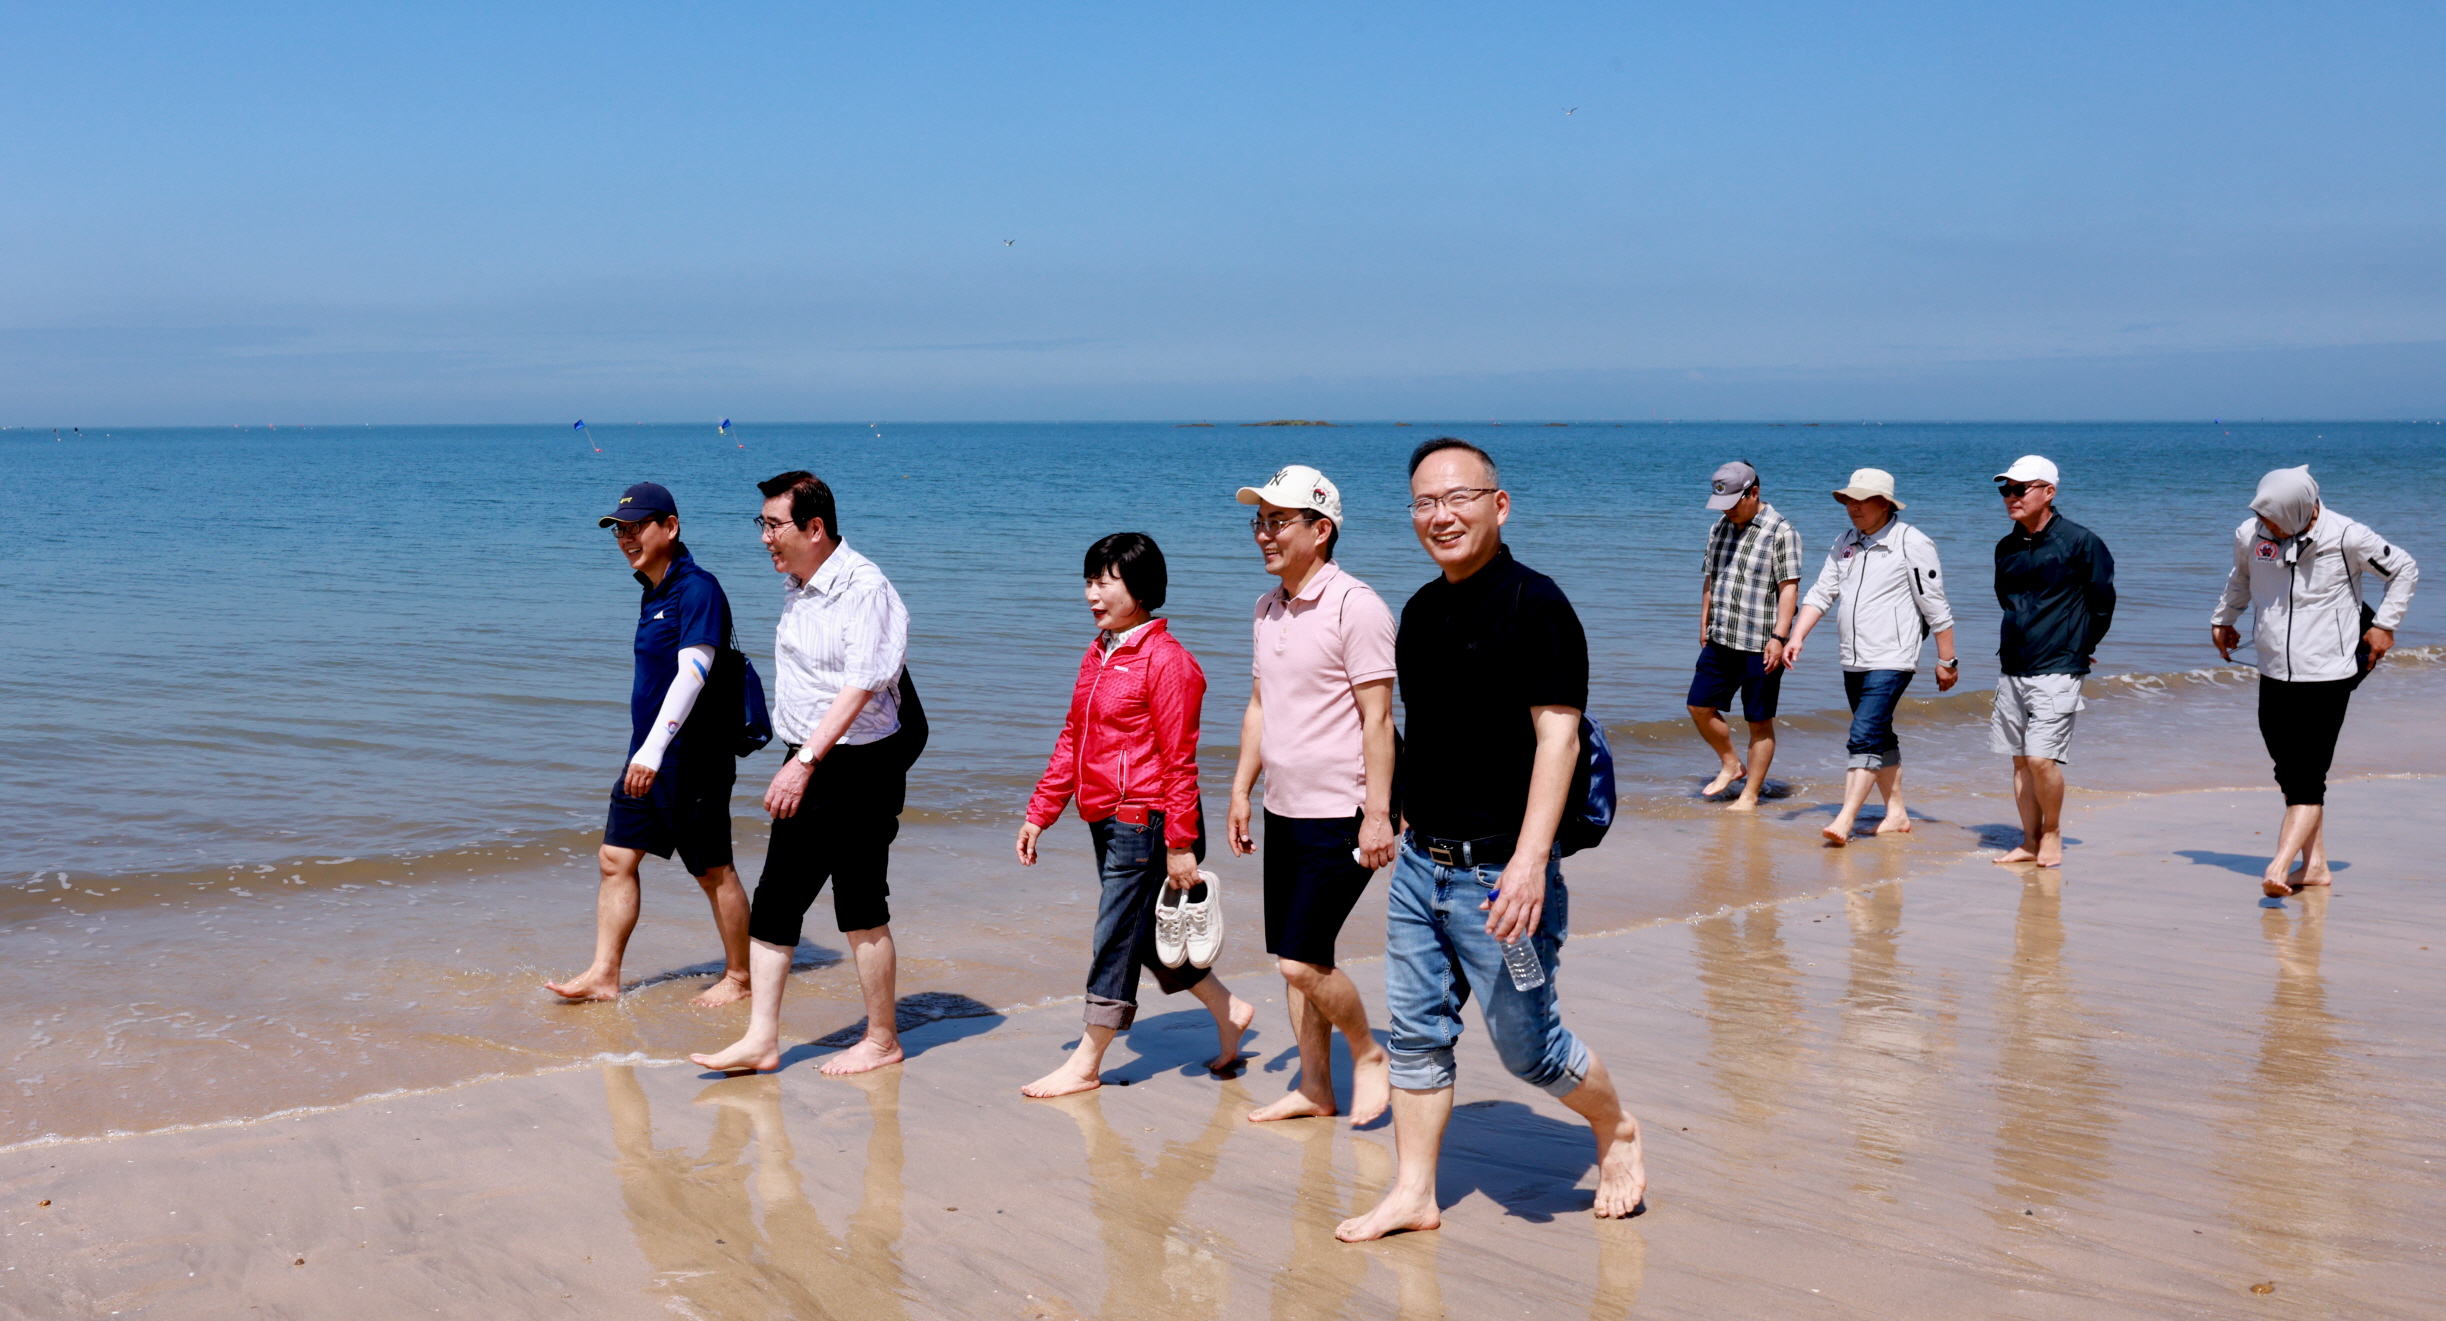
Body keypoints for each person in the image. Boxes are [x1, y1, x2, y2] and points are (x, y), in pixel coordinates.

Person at [1336, 438, 1646, 1242]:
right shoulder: (1420, 612)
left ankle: (1615, 1126)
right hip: (1420, 870)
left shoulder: (1536, 605)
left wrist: (1531, 863)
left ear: (1498, 505)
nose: (1440, 516)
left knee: (1528, 1048)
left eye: (1458, 498)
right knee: (1415, 1033)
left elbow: (1558, 739)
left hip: (1501, 879)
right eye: (1424, 503)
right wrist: (1388, 811)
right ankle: (1414, 1192)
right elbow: (1424, 730)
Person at [690, 471, 922, 1076]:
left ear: (814, 528)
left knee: (860, 903)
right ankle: (761, 1039)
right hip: (811, 755)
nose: (764, 537)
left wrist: (805, 763)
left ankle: (881, 1040)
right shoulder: (801, 583)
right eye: (762, 524)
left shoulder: (864, 587)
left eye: (774, 525)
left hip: (857, 762)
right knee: (777, 898)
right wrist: (798, 755)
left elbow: (862, 684)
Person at [1016, 533, 1254, 1098]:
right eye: (1089, 581)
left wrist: (1181, 843)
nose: (1091, 594)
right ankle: (1229, 1009)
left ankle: (1087, 1061)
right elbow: (1073, 737)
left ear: (1141, 589)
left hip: (1144, 819)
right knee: (1142, 935)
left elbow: (1180, 761)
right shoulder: (1100, 652)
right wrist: (1040, 812)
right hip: (1104, 815)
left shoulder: (1169, 662)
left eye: (1105, 582)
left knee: (1114, 934)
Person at [1223, 465, 1398, 1125]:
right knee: (1297, 957)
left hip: (1343, 811)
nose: (1263, 534)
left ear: (1321, 529)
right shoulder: (1266, 608)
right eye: (1259, 521)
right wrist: (1241, 790)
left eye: (1278, 521)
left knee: (1300, 962)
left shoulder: (1357, 606)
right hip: (1285, 808)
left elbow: (1378, 719)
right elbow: (1260, 706)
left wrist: (1378, 815)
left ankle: (1369, 1053)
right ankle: (1315, 1087)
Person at [547, 482, 752, 1006]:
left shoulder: (697, 589)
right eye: (620, 530)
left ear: (671, 527)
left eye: (637, 527)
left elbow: (694, 672)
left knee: (712, 870)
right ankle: (604, 974)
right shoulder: (653, 590)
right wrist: (645, 751)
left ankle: (740, 977)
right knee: (615, 858)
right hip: (647, 754)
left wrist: (654, 750)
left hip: (692, 756)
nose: (626, 538)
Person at [2210, 466, 2416, 897]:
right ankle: (2316, 865)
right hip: (2273, 667)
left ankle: (2279, 866)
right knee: (2289, 769)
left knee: (2306, 775)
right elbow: (2241, 578)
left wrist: (2385, 624)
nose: (2266, 525)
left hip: (2329, 669)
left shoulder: (2347, 536)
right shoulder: (2251, 534)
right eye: (2262, 515)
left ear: (2298, 511)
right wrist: (2224, 619)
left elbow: (2404, 569)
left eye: (2273, 518)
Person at [1786, 468, 1960, 845]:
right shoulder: (1845, 541)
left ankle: (1845, 819)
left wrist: (1947, 660)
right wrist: (1796, 636)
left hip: (1893, 657)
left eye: (1861, 501)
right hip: (1853, 657)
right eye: (1849, 500)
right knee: (1879, 733)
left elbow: (1935, 605)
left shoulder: (1911, 542)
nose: (1853, 507)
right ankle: (1896, 814)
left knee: (1863, 735)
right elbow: (1821, 592)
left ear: (1885, 504)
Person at [1988, 456, 2115, 868]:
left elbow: (2102, 602)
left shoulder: (2080, 542)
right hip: (2013, 666)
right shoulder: (2006, 547)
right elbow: (2006, 600)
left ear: (2049, 492)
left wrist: (2082, 643)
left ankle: (2053, 832)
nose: (2011, 497)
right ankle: (2029, 841)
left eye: (2020, 489)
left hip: (2059, 665)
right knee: (2020, 761)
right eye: (2006, 490)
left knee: (2041, 759)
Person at [1687, 460, 1803, 810]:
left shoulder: (1781, 532)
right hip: (1721, 638)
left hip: (1761, 645)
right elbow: (1711, 577)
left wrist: (1779, 637)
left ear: (1754, 492)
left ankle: (1750, 795)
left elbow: (1789, 589)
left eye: (1734, 503)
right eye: (1722, 504)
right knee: (1698, 706)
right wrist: (1704, 621)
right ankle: (1731, 764)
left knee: (1758, 721)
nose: (1728, 511)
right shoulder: (1719, 528)